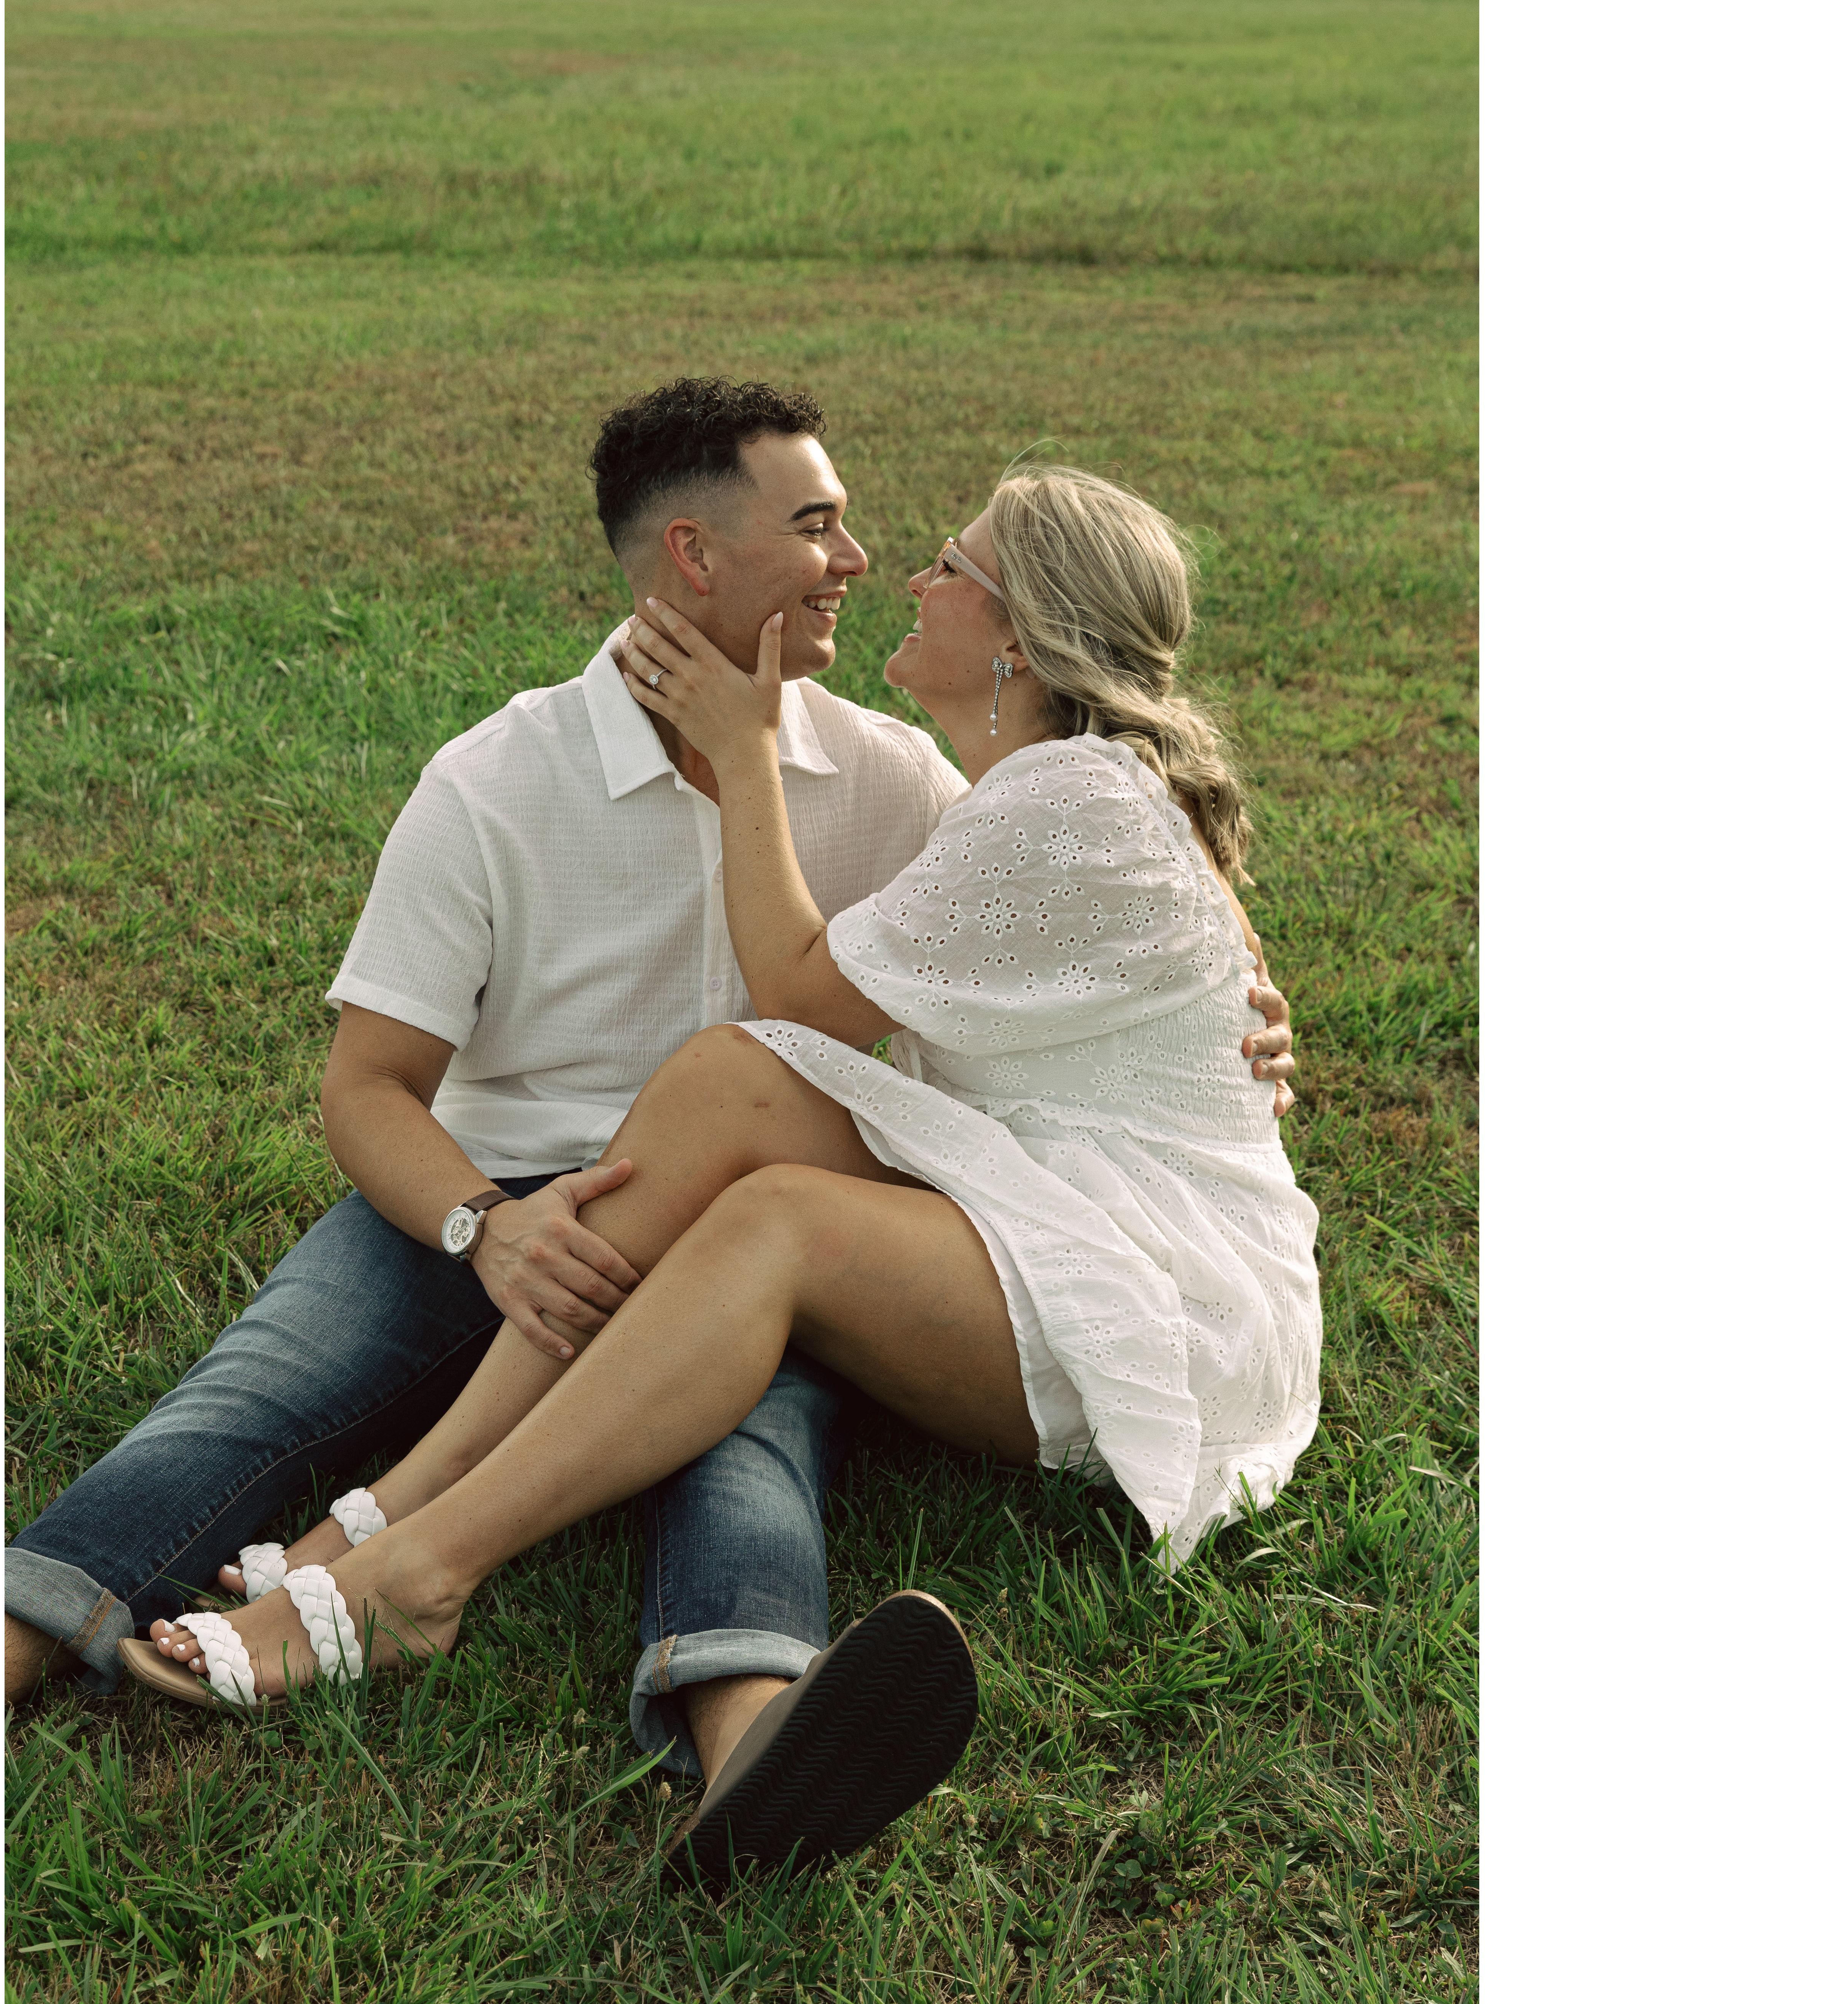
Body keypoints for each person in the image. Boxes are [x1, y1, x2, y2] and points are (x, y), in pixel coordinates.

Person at [121, 464, 1323, 1881]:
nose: (898, 571)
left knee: (777, 1220)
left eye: (949, 563)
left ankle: (421, 1575)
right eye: (838, 531)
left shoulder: (1067, 798)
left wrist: (743, 752)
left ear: (1020, 634)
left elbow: (805, 988)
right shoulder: (1052, 787)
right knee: (728, 1078)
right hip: (1047, 1190)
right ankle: (394, 1506)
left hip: (1164, 1295)